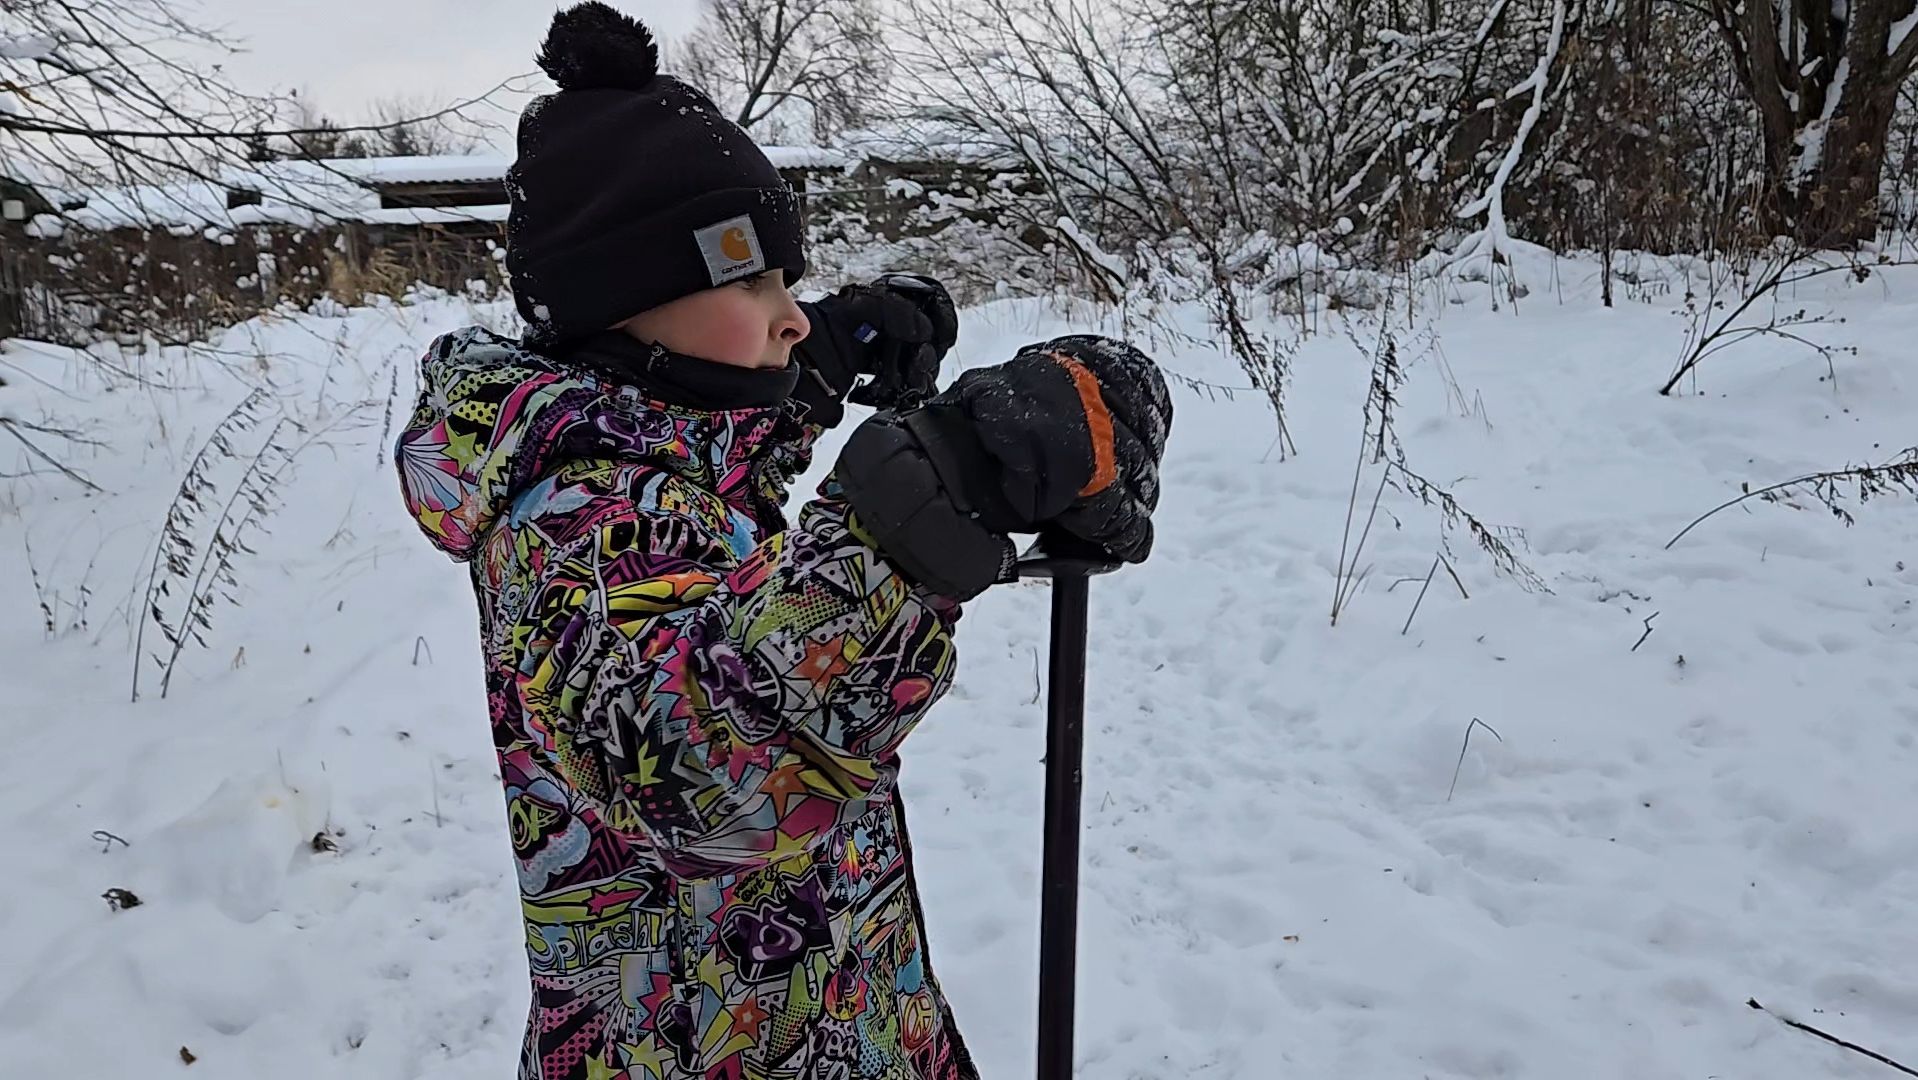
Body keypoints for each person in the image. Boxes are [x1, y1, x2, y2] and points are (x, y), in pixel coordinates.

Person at [393, 4, 1172, 1078]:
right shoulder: (565, 525)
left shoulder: (644, 459)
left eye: (787, 282)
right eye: (750, 282)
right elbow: (709, 766)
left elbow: (695, 500)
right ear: (622, 308)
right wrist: (936, 492)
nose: (788, 309)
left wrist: (816, 370)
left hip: (818, 1009)